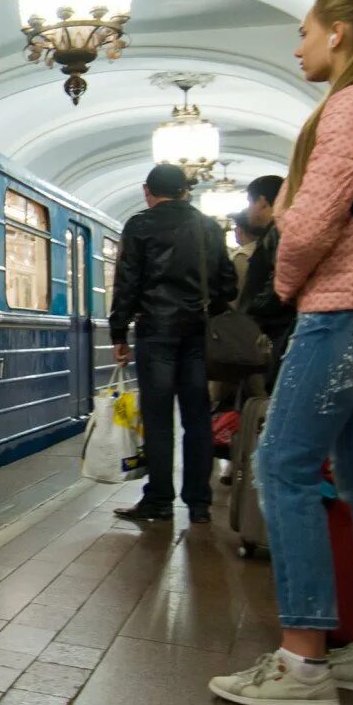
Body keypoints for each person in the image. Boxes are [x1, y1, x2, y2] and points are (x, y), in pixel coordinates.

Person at [209, 0, 353, 705]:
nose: (296, 46)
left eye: (303, 33)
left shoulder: (346, 106)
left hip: (345, 311)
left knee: (282, 465)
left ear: (337, 35)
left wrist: (281, 278)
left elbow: (306, 225)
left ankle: (302, 662)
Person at [108, 164, 237, 524]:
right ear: (185, 191)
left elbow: (127, 282)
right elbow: (228, 285)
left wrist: (119, 332)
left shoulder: (140, 225)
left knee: (158, 419)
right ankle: (199, 504)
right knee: (197, 419)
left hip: (156, 332)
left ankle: (159, 501)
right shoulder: (209, 227)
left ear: (147, 190)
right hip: (197, 333)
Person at [239, 175, 295, 390]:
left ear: (262, 201)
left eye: (250, 203)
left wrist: (254, 308)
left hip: (279, 325)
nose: (249, 210)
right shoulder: (277, 231)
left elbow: (277, 281)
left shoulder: (277, 232)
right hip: (279, 323)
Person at [230, 211, 258, 299]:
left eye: (236, 226)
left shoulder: (241, 256)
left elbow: (237, 294)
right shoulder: (263, 250)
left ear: (240, 230)